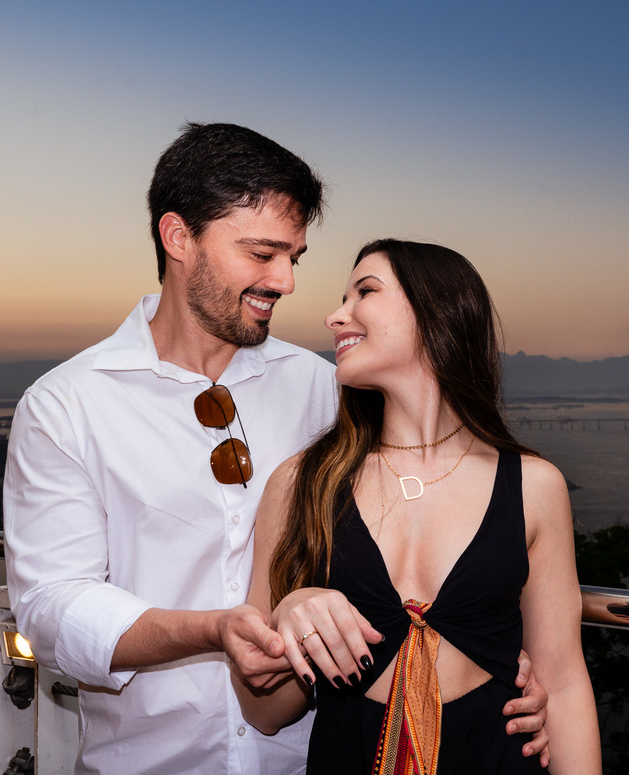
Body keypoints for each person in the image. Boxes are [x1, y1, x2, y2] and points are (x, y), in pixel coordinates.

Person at [2, 123, 547, 774]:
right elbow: (52, 609)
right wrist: (214, 627)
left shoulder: (327, 390)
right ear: (179, 238)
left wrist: (504, 670)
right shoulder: (64, 405)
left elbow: (437, 522)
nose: (286, 280)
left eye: (295, 256)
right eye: (263, 254)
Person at [233, 239, 600, 773]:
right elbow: (263, 711)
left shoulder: (533, 486)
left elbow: (564, 685)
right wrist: (293, 621)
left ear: (437, 311)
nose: (336, 316)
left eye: (365, 291)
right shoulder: (298, 485)